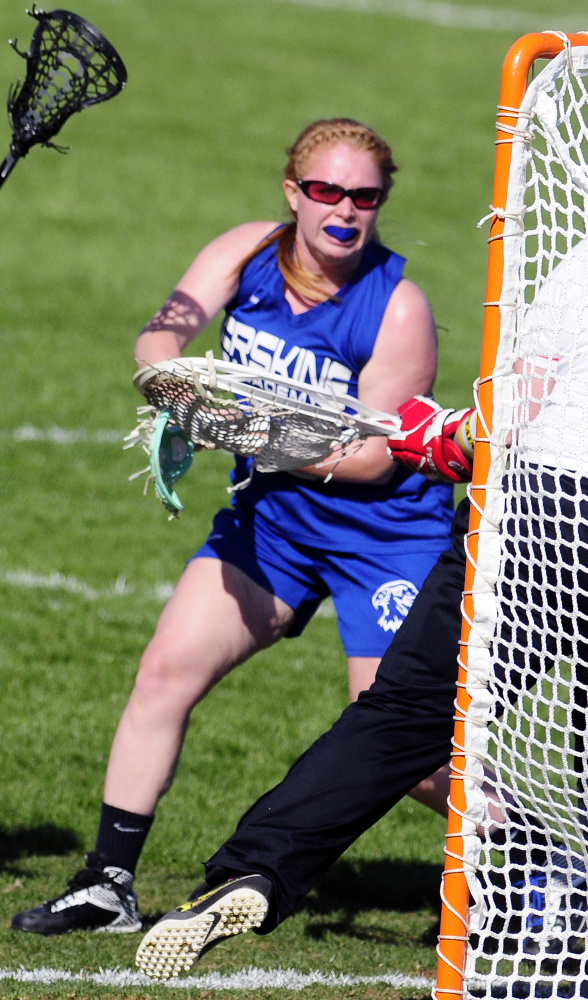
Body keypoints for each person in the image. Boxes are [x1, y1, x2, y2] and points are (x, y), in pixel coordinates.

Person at [133, 75, 588, 996]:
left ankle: (259, 869)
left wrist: (433, 436)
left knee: (408, 713)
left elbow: (508, 421)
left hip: (552, 510)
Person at [11, 117, 457, 937]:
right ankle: (108, 883)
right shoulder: (247, 251)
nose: (344, 211)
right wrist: (173, 382)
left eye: (364, 196)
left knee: (402, 738)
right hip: (278, 522)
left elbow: (373, 458)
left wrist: (249, 432)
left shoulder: (397, 307)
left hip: (385, 536)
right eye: (325, 191)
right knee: (166, 668)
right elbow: (163, 332)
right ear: (292, 192)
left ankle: (533, 867)